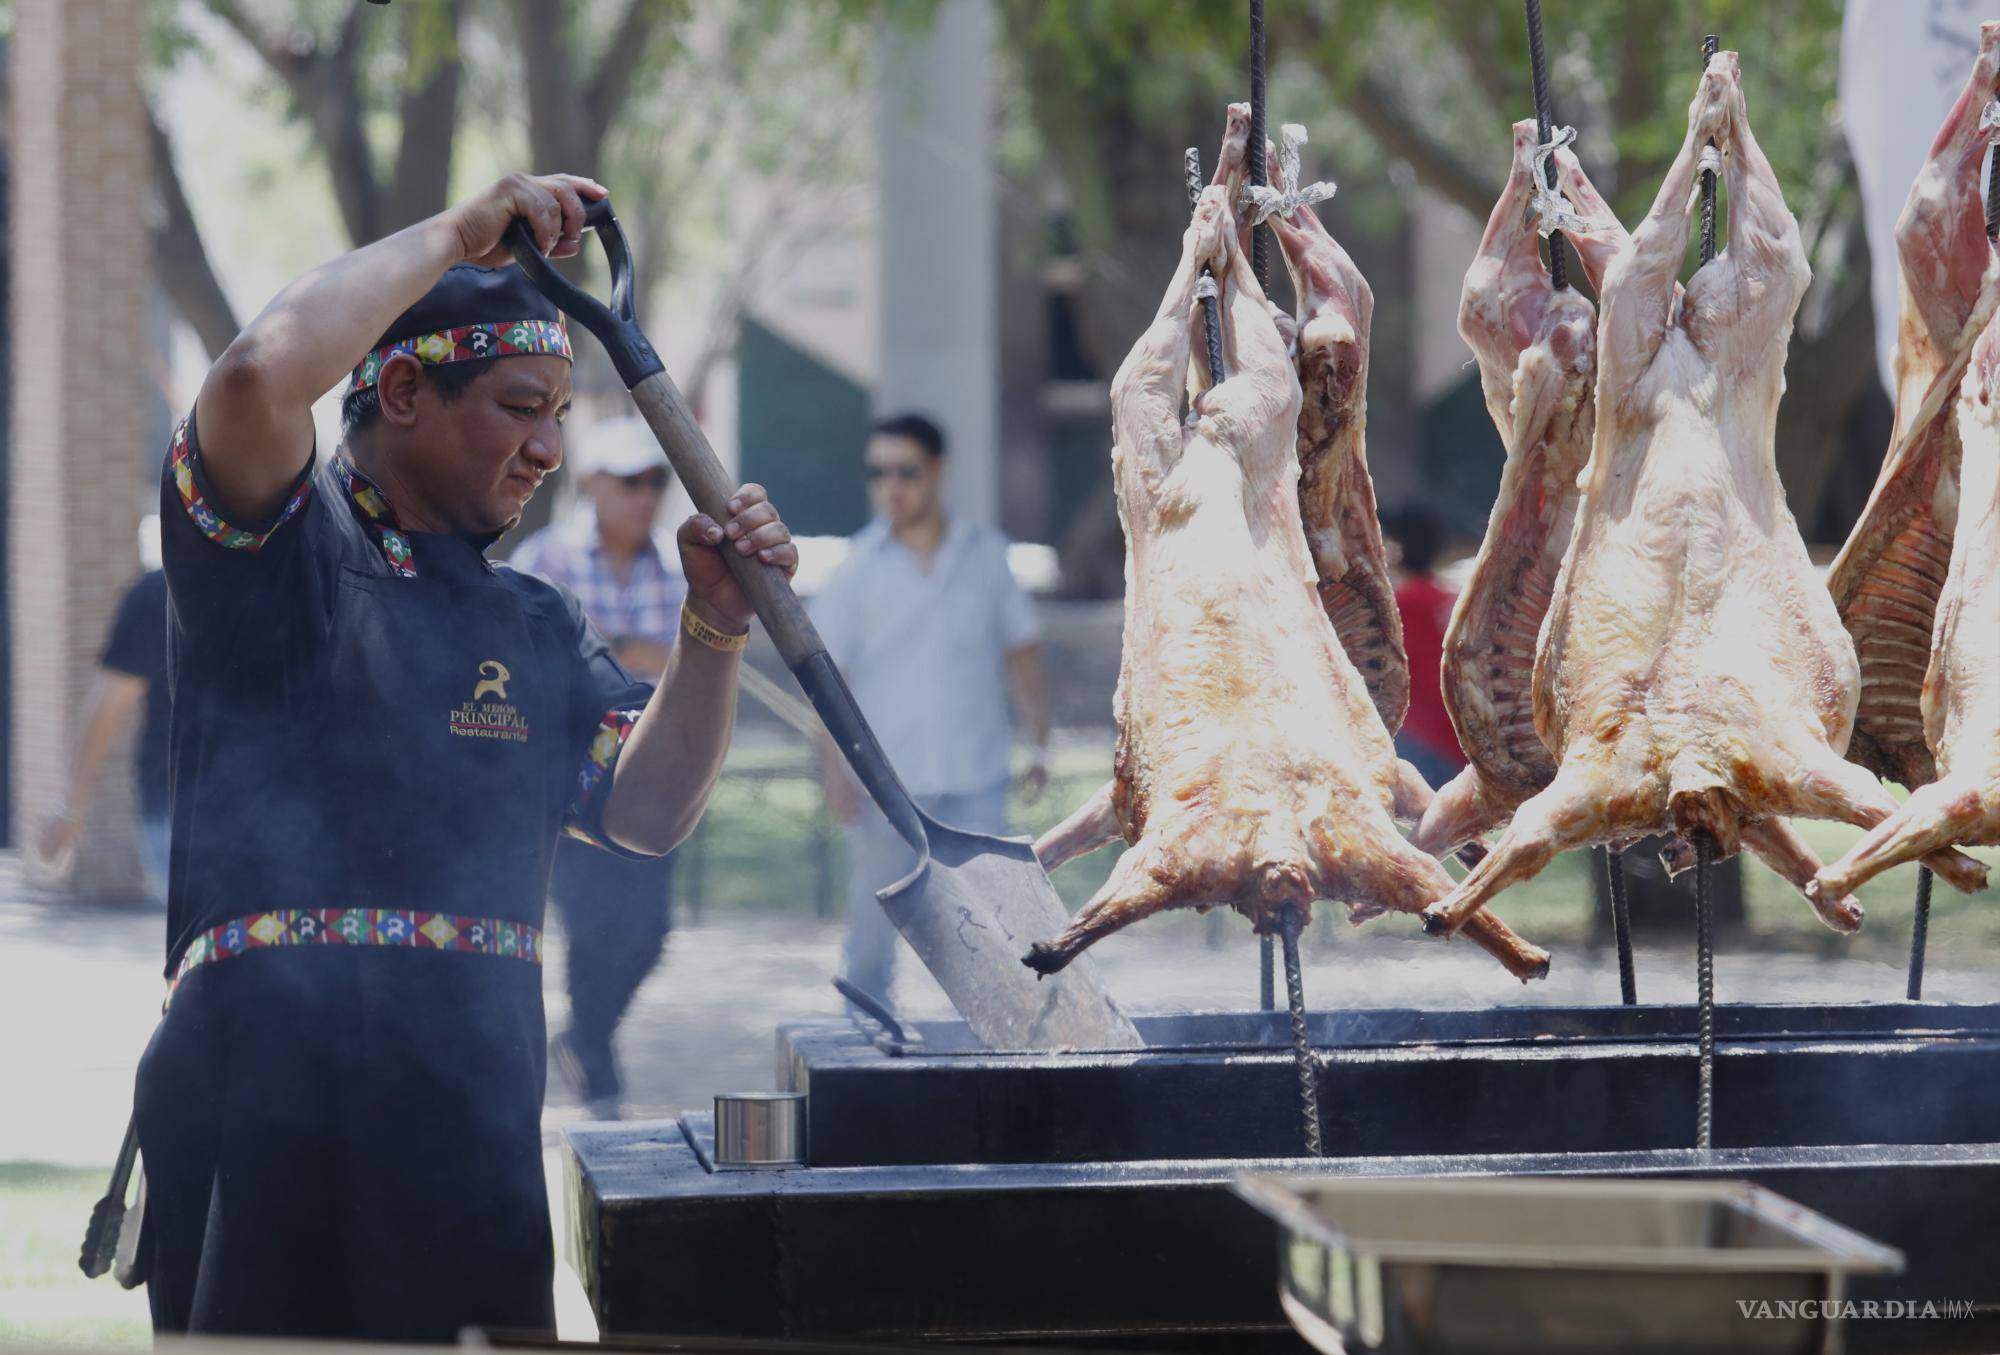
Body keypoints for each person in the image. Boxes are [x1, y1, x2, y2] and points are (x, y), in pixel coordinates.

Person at [135, 172, 797, 1340]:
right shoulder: (273, 546)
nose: (547, 448)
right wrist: (454, 233)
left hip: (469, 1117)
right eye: (520, 406)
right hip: (261, 1103)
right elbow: (252, 378)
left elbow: (645, 810)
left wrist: (715, 625)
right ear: (401, 389)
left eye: (560, 415)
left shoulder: (534, 622)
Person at [812, 413, 1049, 1005]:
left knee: (991, 934)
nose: (891, 486)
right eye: (878, 472)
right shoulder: (855, 568)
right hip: (885, 790)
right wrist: (833, 771)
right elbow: (827, 680)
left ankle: (996, 1044)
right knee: (871, 941)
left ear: (938, 471)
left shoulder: (986, 555)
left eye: (906, 471)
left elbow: (1023, 653)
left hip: (976, 782)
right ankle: (864, 1047)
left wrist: (1039, 743)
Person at [509, 415, 685, 1119]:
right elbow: (525, 663)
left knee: (650, 932)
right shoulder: (544, 559)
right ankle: (598, 1067)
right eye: (630, 481)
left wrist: (637, 655)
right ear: (592, 483)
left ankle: (586, 1037)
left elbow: (694, 669)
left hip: (656, 776)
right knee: (588, 923)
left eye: (655, 482)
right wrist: (626, 654)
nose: (645, 496)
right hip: (567, 776)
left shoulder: (678, 569)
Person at [40, 526, 171, 901]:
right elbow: (108, 705)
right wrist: (71, 808)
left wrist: (71, 808)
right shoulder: (159, 595)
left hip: (182, 811)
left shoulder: (159, 592)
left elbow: (108, 705)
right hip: (193, 812)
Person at [1381, 503, 1466, 789]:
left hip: (1424, 743)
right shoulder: (1447, 597)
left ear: (1399, 547)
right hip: (1456, 740)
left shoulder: (1403, 603)